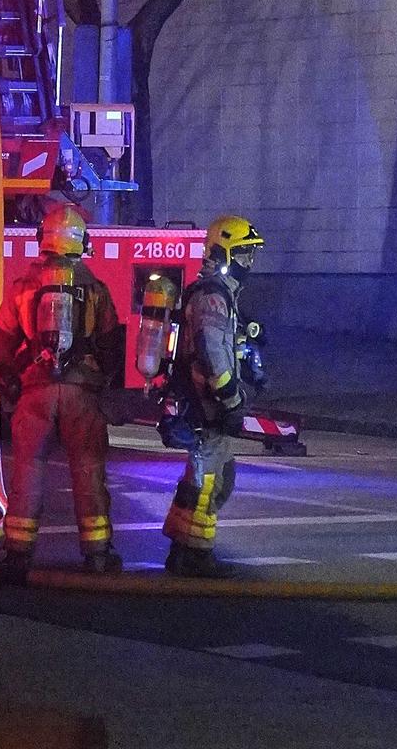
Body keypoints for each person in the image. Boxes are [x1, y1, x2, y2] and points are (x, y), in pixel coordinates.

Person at [0, 201, 124, 584]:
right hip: (82, 394)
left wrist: (13, 375)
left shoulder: (24, 287)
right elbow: (111, 342)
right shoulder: (95, 288)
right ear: (81, 241)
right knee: (88, 470)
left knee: (28, 471)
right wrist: (102, 382)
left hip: (35, 391)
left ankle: (16, 555)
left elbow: (0, 339)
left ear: (42, 240)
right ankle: (97, 554)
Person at [161, 213, 264, 577]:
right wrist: (231, 398)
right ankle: (197, 555)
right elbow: (211, 351)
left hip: (205, 402)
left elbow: (223, 345)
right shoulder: (213, 298)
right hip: (209, 405)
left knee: (203, 477)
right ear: (224, 254)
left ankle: (180, 546)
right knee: (210, 481)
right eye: (243, 255)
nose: (248, 264)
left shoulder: (218, 296)